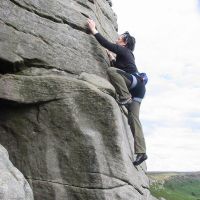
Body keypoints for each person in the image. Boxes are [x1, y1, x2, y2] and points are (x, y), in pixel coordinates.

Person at [87, 19, 147, 166]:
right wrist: (112, 59)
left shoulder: (124, 50)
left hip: (133, 84)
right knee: (134, 119)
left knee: (111, 71)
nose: (117, 38)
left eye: (120, 37)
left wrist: (94, 30)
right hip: (138, 89)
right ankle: (141, 152)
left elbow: (107, 44)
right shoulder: (125, 56)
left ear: (124, 42)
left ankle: (125, 98)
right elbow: (122, 69)